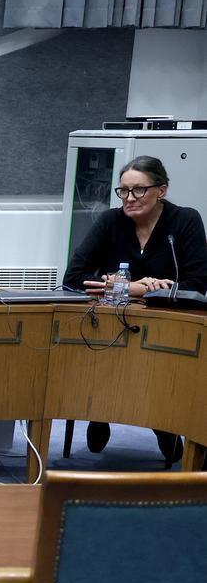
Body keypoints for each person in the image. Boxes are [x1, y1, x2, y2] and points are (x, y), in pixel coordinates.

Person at [64, 155, 207, 464]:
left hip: (167, 325)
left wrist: (134, 288)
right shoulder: (111, 221)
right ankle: (99, 410)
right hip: (109, 326)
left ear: (161, 190)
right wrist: (130, 286)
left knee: (158, 365)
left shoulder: (184, 221)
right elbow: (73, 277)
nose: (129, 198)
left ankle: (162, 421)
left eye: (139, 190)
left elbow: (197, 284)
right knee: (105, 352)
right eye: (124, 191)